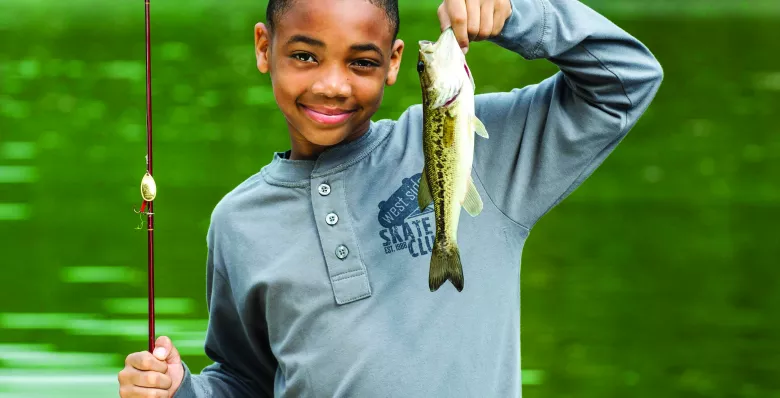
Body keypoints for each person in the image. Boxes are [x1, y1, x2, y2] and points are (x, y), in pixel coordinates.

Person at [118, 0, 663, 396]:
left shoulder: (489, 159)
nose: (333, 85)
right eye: (306, 56)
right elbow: (247, 380)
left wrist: (517, 16)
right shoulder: (238, 223)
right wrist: (181, 390)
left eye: (362, 62)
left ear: (396, 61)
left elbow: (627, 82)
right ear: (265, 48)